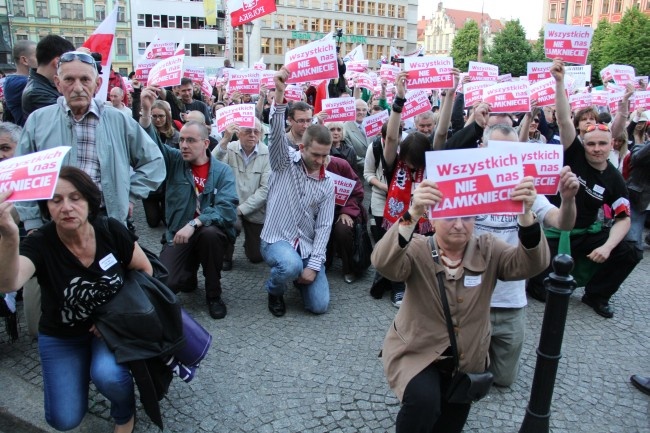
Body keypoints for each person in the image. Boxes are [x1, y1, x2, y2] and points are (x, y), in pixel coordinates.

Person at [372, 178, 550, 433]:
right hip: (416, 351)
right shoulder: (419, 249)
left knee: (450, 424)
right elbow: (383, 262)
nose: (458, 225)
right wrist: (413, 213)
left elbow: (530, 264)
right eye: (449, 217)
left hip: (467, 358)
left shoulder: (488, 248)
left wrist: (525, 216)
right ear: (432, 220)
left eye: (466, 218)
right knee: (424, 404)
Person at [0, 167, 151, 433]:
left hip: (109, 330)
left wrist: (112, 318)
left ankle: (124, 414)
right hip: (62, 335)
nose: (67, 207)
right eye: (56, 200)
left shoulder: (110, 230)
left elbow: (144, 271)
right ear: (46, 207)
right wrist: (10, 236)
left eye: (75, 198)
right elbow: (9, 283)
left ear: (90, 202)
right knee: (63, 420)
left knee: (109, 376)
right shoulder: (40, 243)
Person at [526, 58, 640, 319]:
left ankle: (597, 294)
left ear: (612, 144)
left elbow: (623, 218)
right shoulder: (574, 153)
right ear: (583, 144)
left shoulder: (615, 179)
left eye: (603, 143)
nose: (597, 149)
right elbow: (565, 119)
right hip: (556, 229)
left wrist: (608, 247)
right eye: (591, 144)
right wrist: (559, 82)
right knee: (544, 291)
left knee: (630, 249)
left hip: (586, 234)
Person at [476, 124, 579, 387]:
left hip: (510, 300)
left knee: (503, 380)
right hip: (472, 299)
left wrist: (567, 200)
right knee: (468, 374)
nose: (502, 158)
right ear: (481, 149)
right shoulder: (469, 186)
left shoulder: (528, 189)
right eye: (496, 150)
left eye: (509, 152)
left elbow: (562, 222)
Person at [16, 51, 165, 231]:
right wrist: (32, 223)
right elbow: (22, 176)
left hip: (106, 219)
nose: (78, 87)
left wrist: (129, 195)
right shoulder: (38, 121)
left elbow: (154, 162)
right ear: (58, 83)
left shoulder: (118, 120)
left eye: (85, 80)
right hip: (55, 223)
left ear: (97, 84)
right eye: (69, 79)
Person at [141, 87, 238, 320]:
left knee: (211, 234)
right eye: (182, 139)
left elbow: (226, 209)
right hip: (178, 234)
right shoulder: (174, 160)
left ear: (206, 143)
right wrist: (145, 111)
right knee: (168, 283)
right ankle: (189, 272)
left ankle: (213, 294)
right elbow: (150, 146)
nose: (184, 145)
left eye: (190, 141)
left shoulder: (222, 171)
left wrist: (196, 222)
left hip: (206, 233)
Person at [261, 67, 334, 318]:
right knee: (289, 265)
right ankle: (274, 289)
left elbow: (324, 227)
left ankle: (295, 276)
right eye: (315, 155)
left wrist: (314, 265)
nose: (320, 161)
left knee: (319, 305)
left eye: (325, 156)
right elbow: (277, 137)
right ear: (302, 147)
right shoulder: (284, 162)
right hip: (276, 239)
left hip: (306, 245)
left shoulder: (327, 183)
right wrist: (279, 96)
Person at [213, 118, 270, 269]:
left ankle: (249, 242)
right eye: (247, 131)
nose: (252, 135)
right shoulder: (229, 148)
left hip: (256, 209)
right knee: (230, 224)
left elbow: (265, 190)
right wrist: (224, 140)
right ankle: (226, 253)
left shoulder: (267, 153)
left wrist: (241, 209)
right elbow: (212, 165)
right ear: (238, 134)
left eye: (256, 131)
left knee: (256, 257)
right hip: (230, 204)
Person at [325, 156, 365, 284]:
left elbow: (357, 192)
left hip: (341, 209)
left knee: (343, 228)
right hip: (318, 211)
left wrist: (346, 211)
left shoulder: (341, 164)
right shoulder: (304, 165)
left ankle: (349, 267)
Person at [141, 100, 180, 228]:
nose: (158, 120)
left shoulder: (176, 136)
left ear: (167, 116)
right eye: (155, 116)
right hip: (151, 181)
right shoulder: (146, 133)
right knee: (153, 222)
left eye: (161, 116)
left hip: (168, 181)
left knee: (167, 220)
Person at [20, 35, 75, 125]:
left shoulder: (46, 84)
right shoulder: (36, 93)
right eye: (70, 61)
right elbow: (71, 117)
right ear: (57, 62)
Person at [2, 40, 37, 124]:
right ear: (24, 60)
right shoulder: (18, 83)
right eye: (38, 56)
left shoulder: (15, 80)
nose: (43, 60)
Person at [343, 98, 369, 170]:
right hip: (358, 172)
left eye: (364, 110)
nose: (361, 112)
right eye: (357, 109)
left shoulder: (370, 124)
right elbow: (351, 155)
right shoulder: (345, 128)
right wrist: (370, 166)